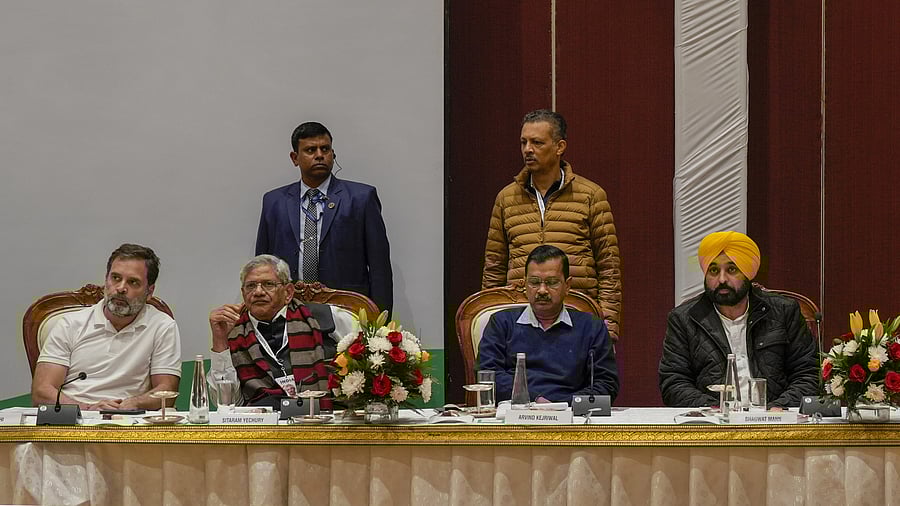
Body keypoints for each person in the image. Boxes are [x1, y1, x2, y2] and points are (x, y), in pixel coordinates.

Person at [482, 109, 622, 339]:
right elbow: (493, 269)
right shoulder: (506, 198)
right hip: (520, 318)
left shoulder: (590, 196)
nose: (528, 149)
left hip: (578, 317)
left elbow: (609, 269)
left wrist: (607, 327)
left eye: (537, 142)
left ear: (560, 147)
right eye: (523, 142)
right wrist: (491, 324)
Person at [658, 231, 818, 408]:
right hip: (714, 426)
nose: (722, 279)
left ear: (748, 273)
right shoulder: (684, 319)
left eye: (732, 269)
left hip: (775, 422)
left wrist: (776, 409)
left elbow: (808, 373)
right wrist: (717, 410)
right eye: (713, 270)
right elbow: (674, 383)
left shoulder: (783, 311)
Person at [255, 121, 393, 313]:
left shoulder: (361, 198)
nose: (319, 155)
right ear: (295, 158)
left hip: (347, 308)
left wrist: (380, 320)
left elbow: (380, 268)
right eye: (311, 150)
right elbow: (263, 264)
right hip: (289, 308)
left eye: (325, 149)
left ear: (333, 154)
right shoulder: (274, 202)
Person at [31, 244, 182, 410]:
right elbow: (42, 392)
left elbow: (167, 392)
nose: (121, 288)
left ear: (149, 291)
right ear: (106, 280)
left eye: (133, 282)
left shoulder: (162, 326)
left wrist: (133, 403)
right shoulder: (70, 324)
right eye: (115, 278)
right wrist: (87, 408)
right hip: (75, 418)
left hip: (129, 421)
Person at [478, 245, 619, 403]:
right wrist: (535, 400)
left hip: (572, 417)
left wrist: (562, 406)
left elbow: (606, 384)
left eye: (552, 282)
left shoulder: (592, 327)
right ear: (524, 284)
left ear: (567, 285)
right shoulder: (502, 323)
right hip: (516, 413)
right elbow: (487, 376)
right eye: (534, 282)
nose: (542, 290)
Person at [208, 255, 351, 408]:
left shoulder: (328, 318)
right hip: (263, 425)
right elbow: (225, 403)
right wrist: (220, 340)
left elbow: (367, 363)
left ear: (288, 292)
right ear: (243, 293)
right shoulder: (233, 331)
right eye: (250, 286)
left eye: (268, 284)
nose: (258, 292)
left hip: (326, 421)